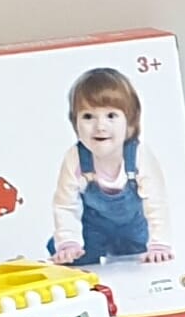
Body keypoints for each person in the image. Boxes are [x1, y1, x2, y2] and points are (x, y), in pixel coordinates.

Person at [49, 66, 176, 267]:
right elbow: (66, 204)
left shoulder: (139, 156)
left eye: (111, 116)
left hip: (133, 230)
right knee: (72, 259)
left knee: (140, 267)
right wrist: (68, 242)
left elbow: (156, 202)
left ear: (130, 121)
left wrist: (159, 244)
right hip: (92, 230)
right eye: (88, 116)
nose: (100, 126)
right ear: (75, 122)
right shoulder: (75, 159)